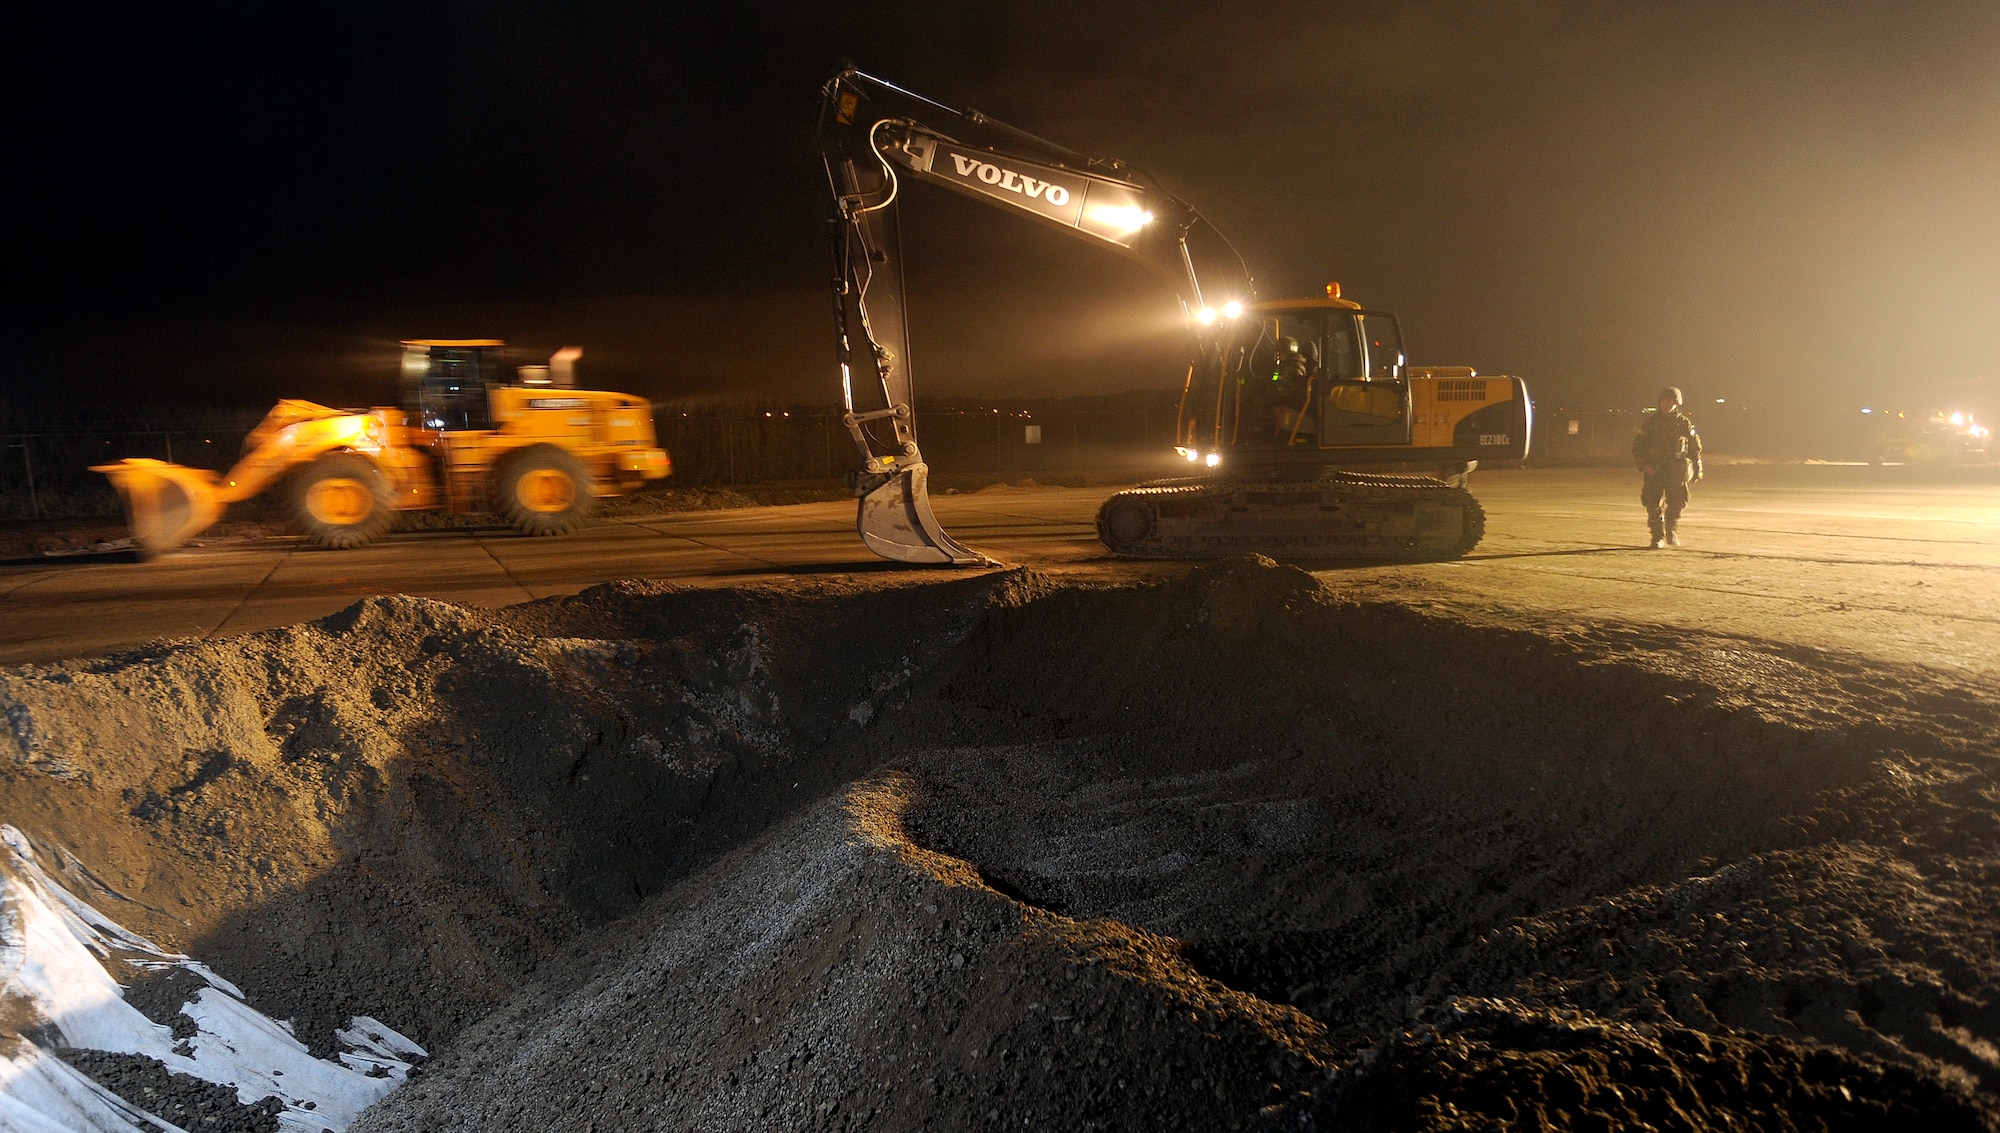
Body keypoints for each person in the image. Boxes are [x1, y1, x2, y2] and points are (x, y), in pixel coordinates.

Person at [1633, 386, 1703, 548]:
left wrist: (1697, 469)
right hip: (1655, 469)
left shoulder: (1684, 423)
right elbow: (1638, 446)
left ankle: (1671, 531)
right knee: (1653, 503)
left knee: (1677, 502)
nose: (1667, 404)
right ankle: (1657, 536)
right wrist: (1644, 465)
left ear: (1676, 403)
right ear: (1660, 402)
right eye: (1665, 401)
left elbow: (1694, 447)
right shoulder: (1650, 423)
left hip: (1676, 470)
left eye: (1671, 401)